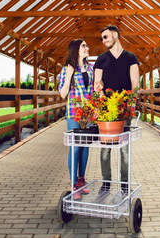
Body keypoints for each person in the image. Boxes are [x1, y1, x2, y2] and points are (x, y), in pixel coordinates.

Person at [93, 25, 140, 194]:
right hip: (106, 110)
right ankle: (106, 182)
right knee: (105, 147)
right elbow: (97, 84)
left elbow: (135, 82)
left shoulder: (131, 57)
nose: (103, 40)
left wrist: (130, 103)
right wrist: (100, 104)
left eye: (105, 37)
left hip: (124, 109)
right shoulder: (101, 59)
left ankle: (124, 184)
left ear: (115, 35)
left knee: (124, 148)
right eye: (101, 38)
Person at [58, 39, 94, 200]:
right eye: (84, 46)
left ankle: (81, 179)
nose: (87, 48)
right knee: (75, 147)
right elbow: (63, 94)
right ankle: (73, 184)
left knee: (85, 147)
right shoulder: (67, 69)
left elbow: (92, 91)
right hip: (73, 113)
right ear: (75, 49)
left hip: (88, 115)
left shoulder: (91, 68)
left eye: (87, 45)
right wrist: (69, 76)